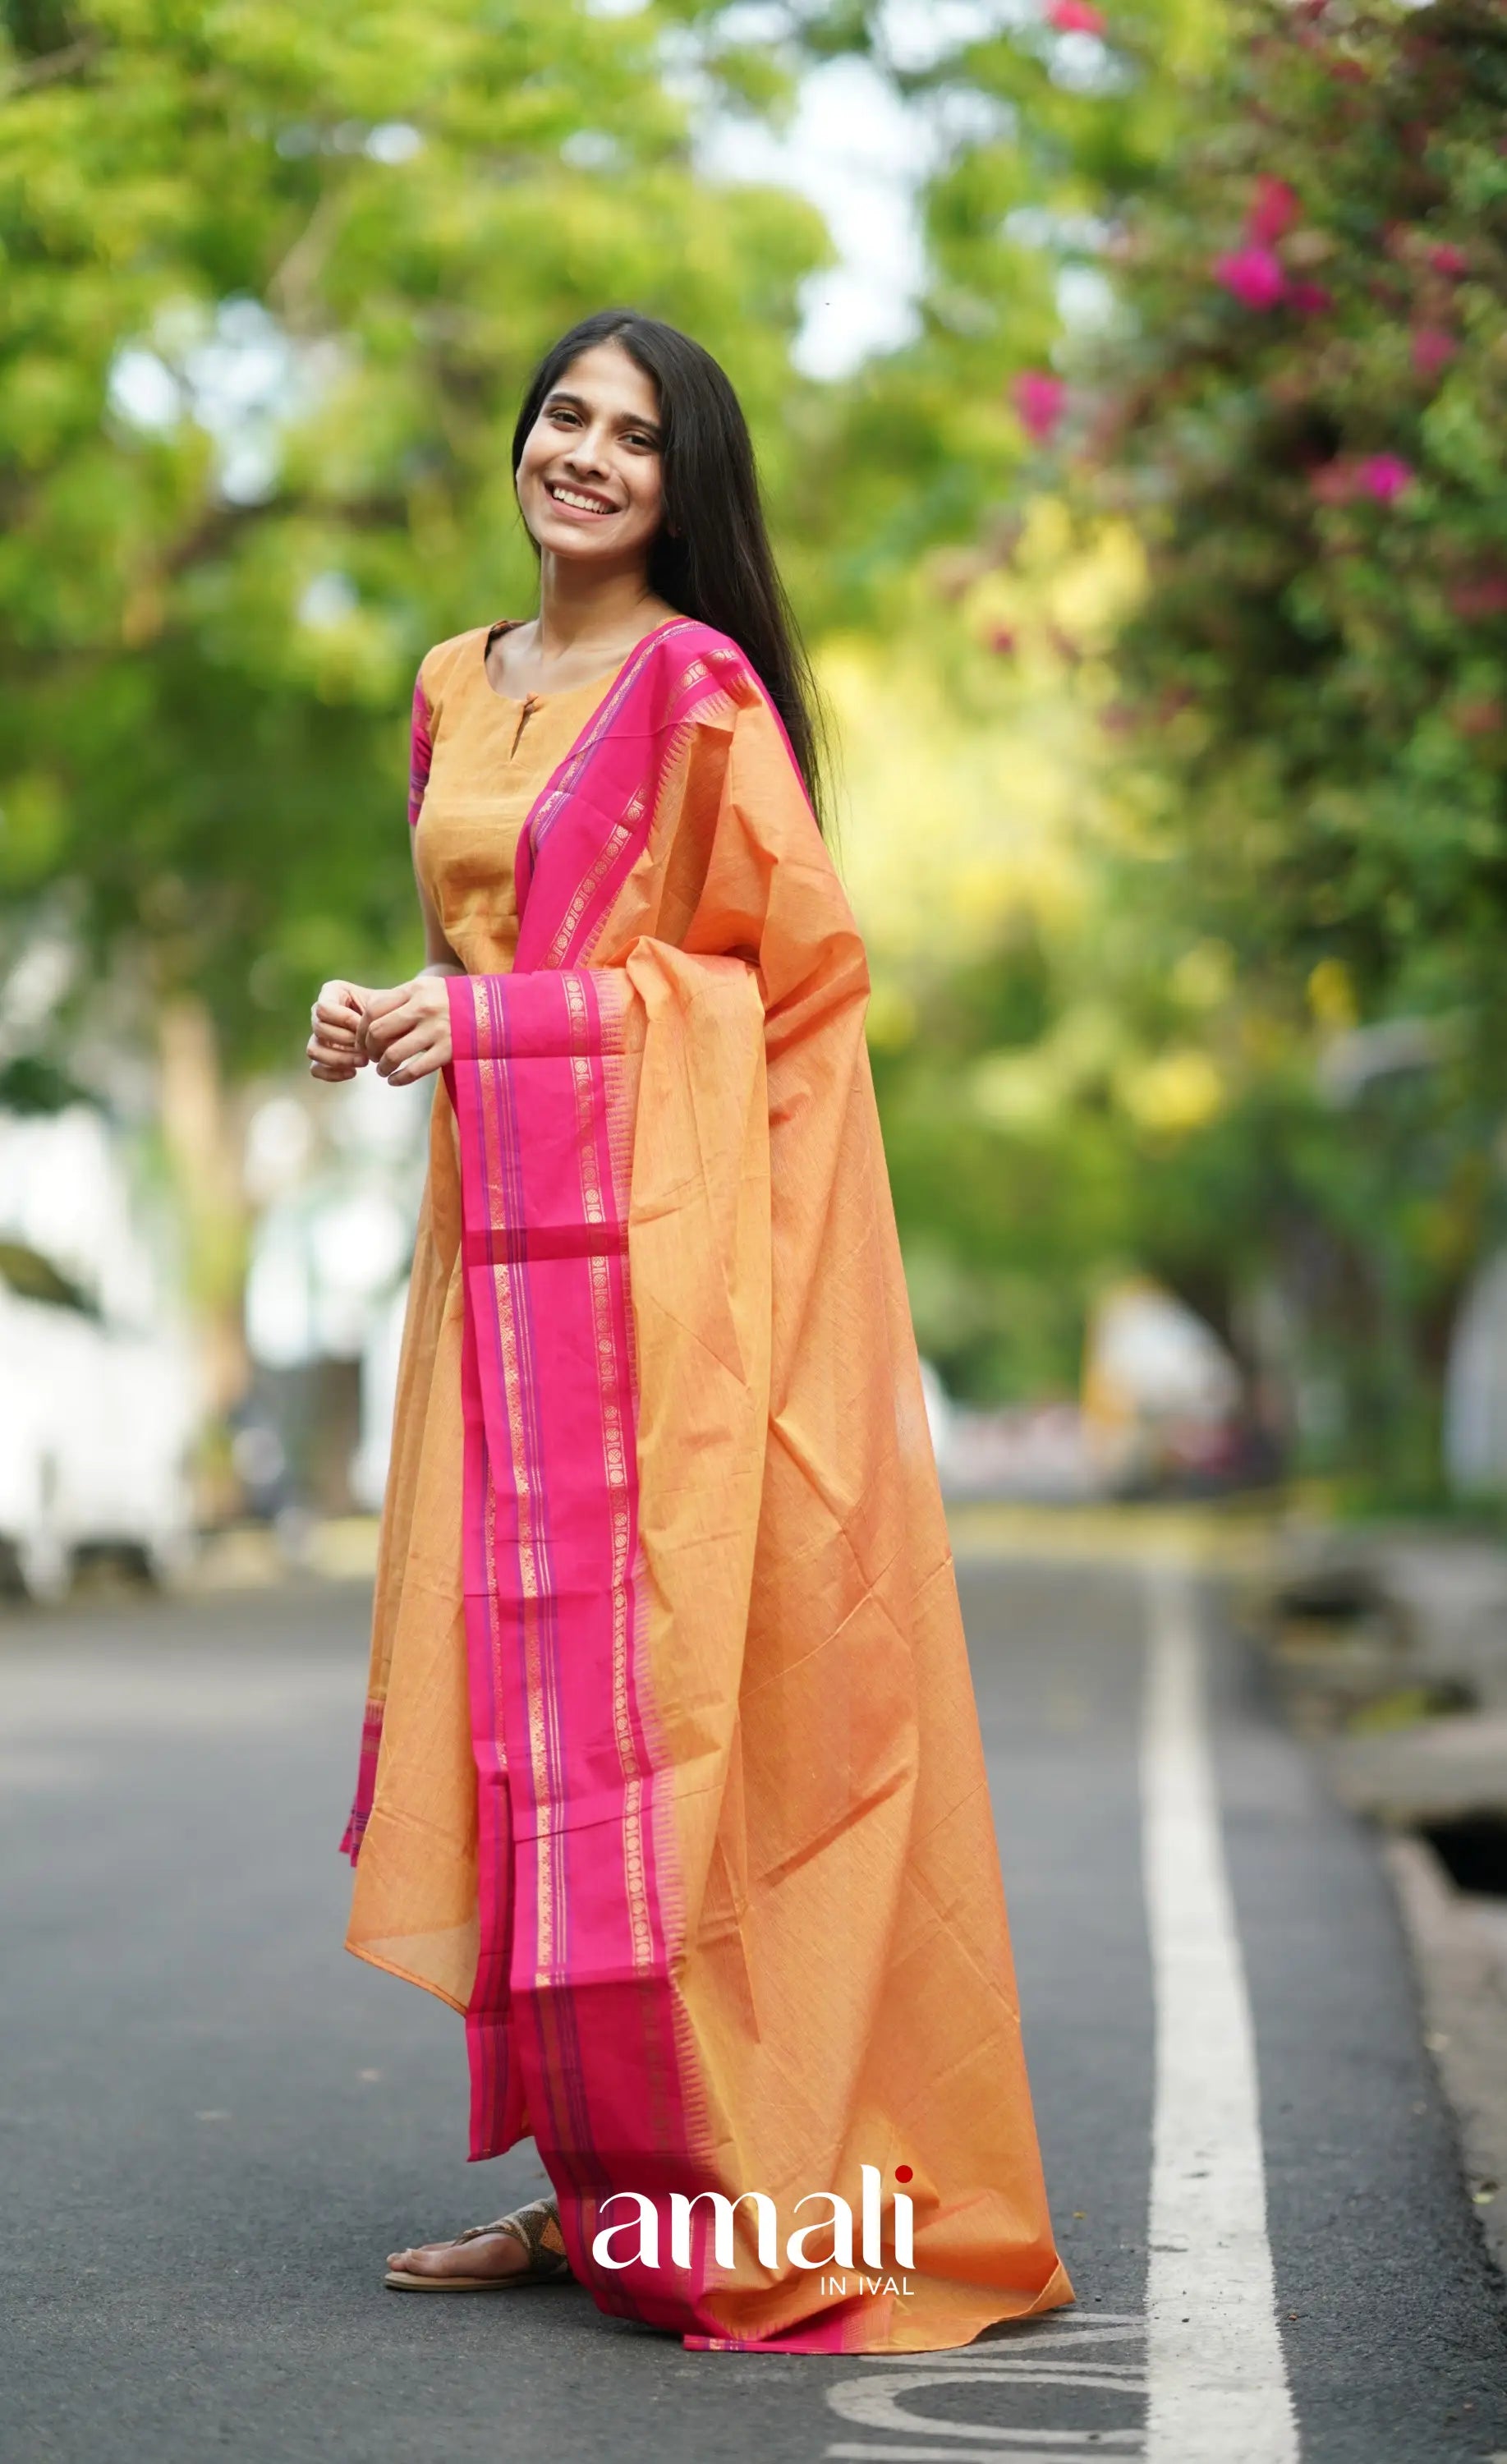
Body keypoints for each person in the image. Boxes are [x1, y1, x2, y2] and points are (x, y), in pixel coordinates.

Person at [306, 309, 1072, 2354]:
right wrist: (394, 1011)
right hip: (505, 1283)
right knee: (529, 1739)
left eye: (633, 438)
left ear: (681, 486)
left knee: (676, 1737)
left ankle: (732, 2182)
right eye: (563, 414)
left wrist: (496, 1026)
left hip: (671, 1303)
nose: (584, 454)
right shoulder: (450, 685)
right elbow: (492, 945)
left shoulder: (703, 692)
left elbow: (782, 996)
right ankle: (598, 2197)